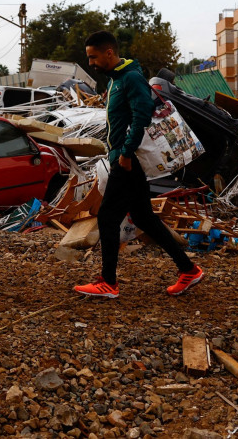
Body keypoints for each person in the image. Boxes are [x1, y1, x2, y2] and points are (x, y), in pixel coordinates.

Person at [74, 30, 204, 299]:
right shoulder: (117, 80)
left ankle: (108, 282)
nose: (91, 63)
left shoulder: (130, 78)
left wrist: (125, 153)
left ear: (109, 52)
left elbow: (143, 113)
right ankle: (188, 270)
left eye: (94, 57)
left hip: (127, 161)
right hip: (124, 158)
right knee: (144, 217)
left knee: (108, 217)